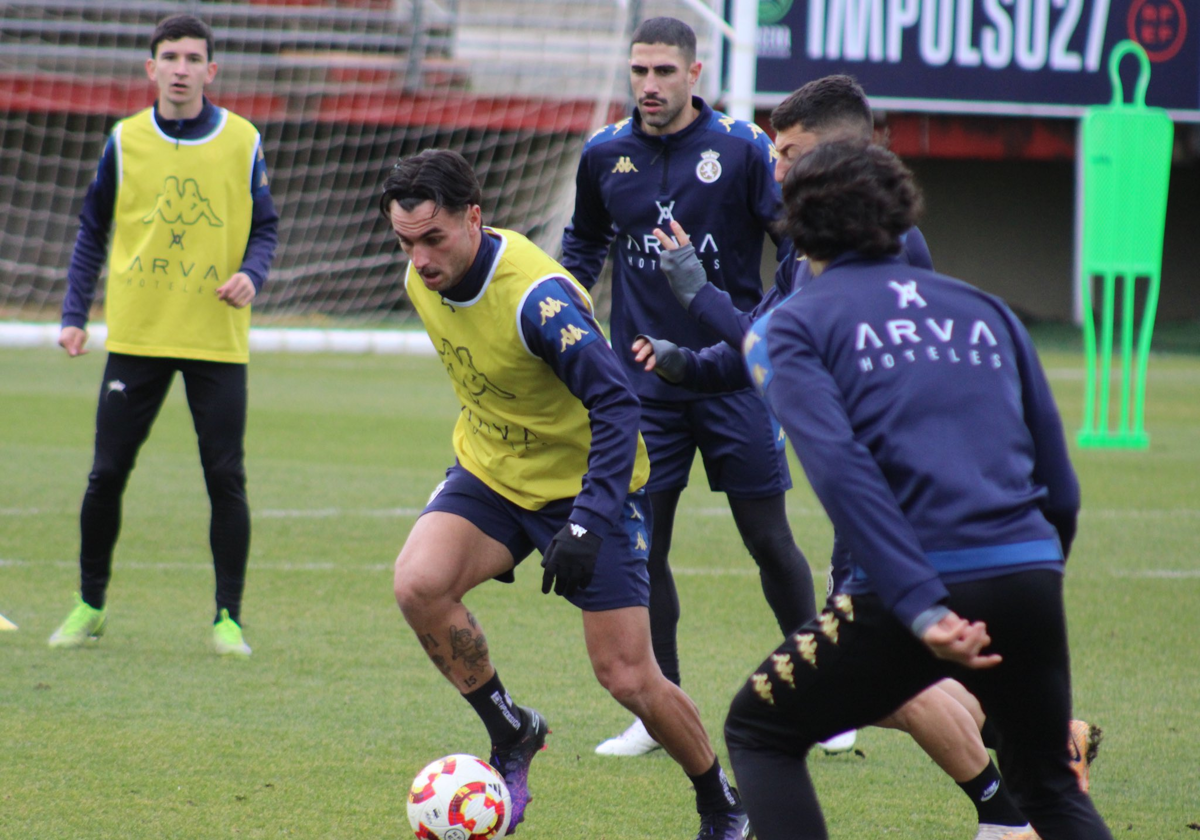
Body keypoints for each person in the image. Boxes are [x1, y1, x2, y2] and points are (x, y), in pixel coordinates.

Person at [638, 76, 1103, 840]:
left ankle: (996, 808)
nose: (777, 173)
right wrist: (1038, 572)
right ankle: (1008, 802)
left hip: (907, 565)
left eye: (788, 162)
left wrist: (920, 602)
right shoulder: (985, 308)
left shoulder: (806, 318)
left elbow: (845, 468)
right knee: (1050, 786)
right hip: (1027, 568)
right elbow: (1059, 481)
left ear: (802, 216)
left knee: (760, 730)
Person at [379, 148, 750, 839]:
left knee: (628, 677)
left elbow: (617, 406)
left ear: (474, 218)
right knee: (418, 584)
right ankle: (511, 729)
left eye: (434, 238)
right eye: (406, 242)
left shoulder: (538, 300)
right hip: (493, 473)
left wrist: (586, 523)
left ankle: (720, 800)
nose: (421, 259)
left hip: (588, 485)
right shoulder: (419, 279)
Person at [560, 15, 820, 758]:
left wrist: (775, 319)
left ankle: (822, 694)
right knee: (648, 547)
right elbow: (583, 242)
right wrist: (569, 301)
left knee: (768, 539)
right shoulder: (603, 154)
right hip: (642, 386)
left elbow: (792, 237)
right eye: (639, 71)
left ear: (694, 74)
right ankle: (657, 709)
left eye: (663, 72)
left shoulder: (740, 149)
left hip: (734, 378)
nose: (648, 85)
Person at [49, 14, 278, 657]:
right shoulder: (124, 140)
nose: (180, 67)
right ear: (150, 69)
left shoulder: (242, 140)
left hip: (215, 339)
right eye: (169, 56)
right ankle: (89, 605)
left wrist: (250, 276)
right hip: (138, 335)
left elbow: (266, 228)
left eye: (192, 57)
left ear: (212, 70)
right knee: (105, 475)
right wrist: (74, 313)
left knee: (225, 478)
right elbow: (92, 229)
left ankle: (227, 619)